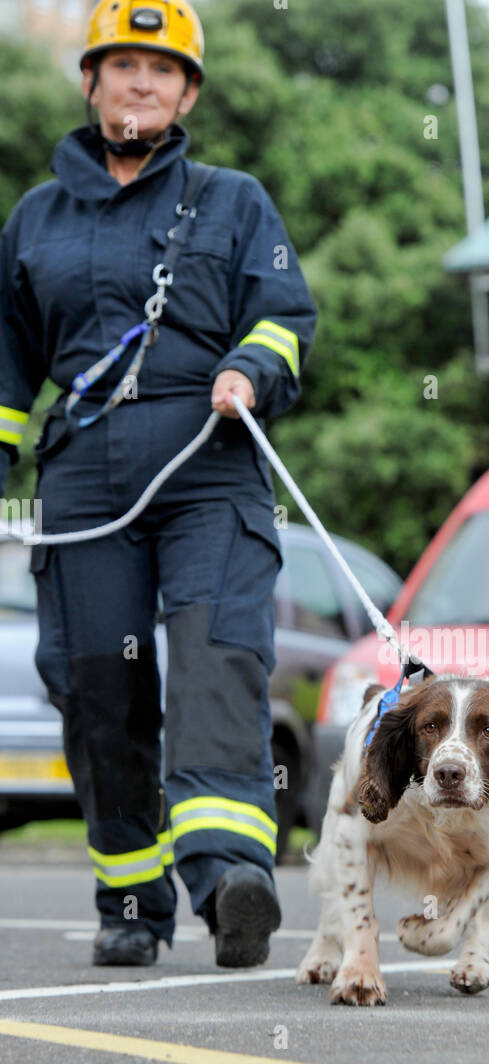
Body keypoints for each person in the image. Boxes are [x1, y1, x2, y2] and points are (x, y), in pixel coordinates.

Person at [0, 0, 317, 967]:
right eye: (122, 65)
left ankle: (229, 881)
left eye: (162, 69)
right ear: (90, 81)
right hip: (85, 476)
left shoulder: (236, 202)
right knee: (99, 681)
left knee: (219, 655)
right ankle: (131, 896)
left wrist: (248, 371)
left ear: (186, 93)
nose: (141, 82)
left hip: (209, 461)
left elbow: (285, 318)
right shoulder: (32, 220)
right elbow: (8, 370)